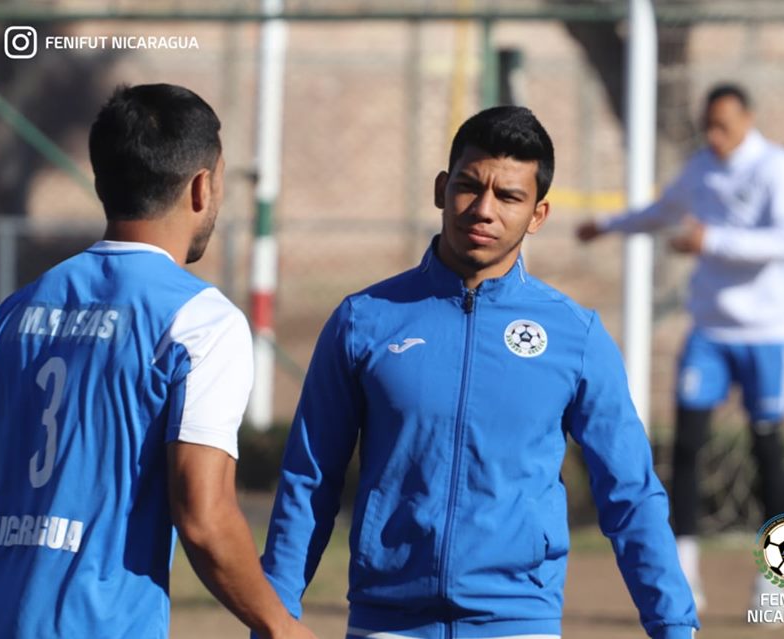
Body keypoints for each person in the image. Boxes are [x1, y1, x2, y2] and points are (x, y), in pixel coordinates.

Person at [256, 106, 698, 639]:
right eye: (469, 186)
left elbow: (630, 492)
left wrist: (673, 624)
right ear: (442, 188)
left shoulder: (574, 336)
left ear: (538, 214)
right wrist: (273, 618)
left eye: (509, 196)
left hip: (519, 621)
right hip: (386, 622)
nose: (483, 209)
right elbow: (310, 481)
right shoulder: (364, 320)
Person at [0, 83, 316, 639]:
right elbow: (203, 515)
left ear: (102, 180)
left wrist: (3, 598)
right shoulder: (200, 322)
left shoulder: (9, 316)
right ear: (203, 186)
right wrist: (280, 626)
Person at [576, 83, 784, 610]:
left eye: (723, 125)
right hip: (709, 332)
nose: (714, 135)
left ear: (748, 119)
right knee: (685, 450)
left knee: (768, 454)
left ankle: (779, 582)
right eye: (708, 125)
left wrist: (714, 242)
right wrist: (609, 225)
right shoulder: (701, 168)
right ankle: (684, 574)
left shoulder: (778, 169)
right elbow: (662, 210)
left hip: (767, 335)